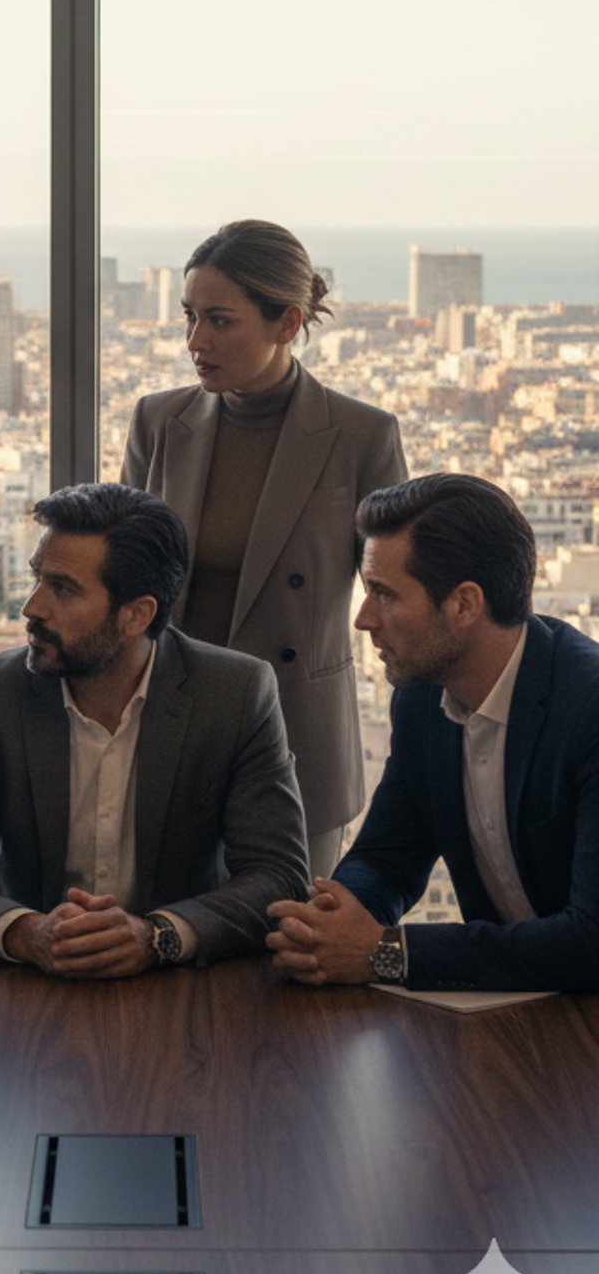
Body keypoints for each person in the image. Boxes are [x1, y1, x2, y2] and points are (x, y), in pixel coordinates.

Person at [0, 483, 309, 973]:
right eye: (37, 580)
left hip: (182, 994)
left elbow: (278, 876)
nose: (32, 608)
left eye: (62, 589)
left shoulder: (234, 694)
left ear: (136, 615)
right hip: (24, 991)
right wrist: (27, 932)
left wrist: (158, 936)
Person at [121, 218, 407, 881]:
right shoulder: (158, 422)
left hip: (298, 730)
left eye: (220, 321)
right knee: (169, 943)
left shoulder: (361, 435)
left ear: (287, 323)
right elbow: (121, 576)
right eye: (190, 317)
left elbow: (397, 591)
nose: (196, 341)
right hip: (171, 723)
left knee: (289, 950)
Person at [268, 474, 599, 994]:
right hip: (516, 1020)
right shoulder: (423, 697)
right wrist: (328, 924)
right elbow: (387, 856)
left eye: (384, 595)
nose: (363, 618)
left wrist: (387, 953)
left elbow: (591, 941)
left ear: (465, 604)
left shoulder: (587, 706)